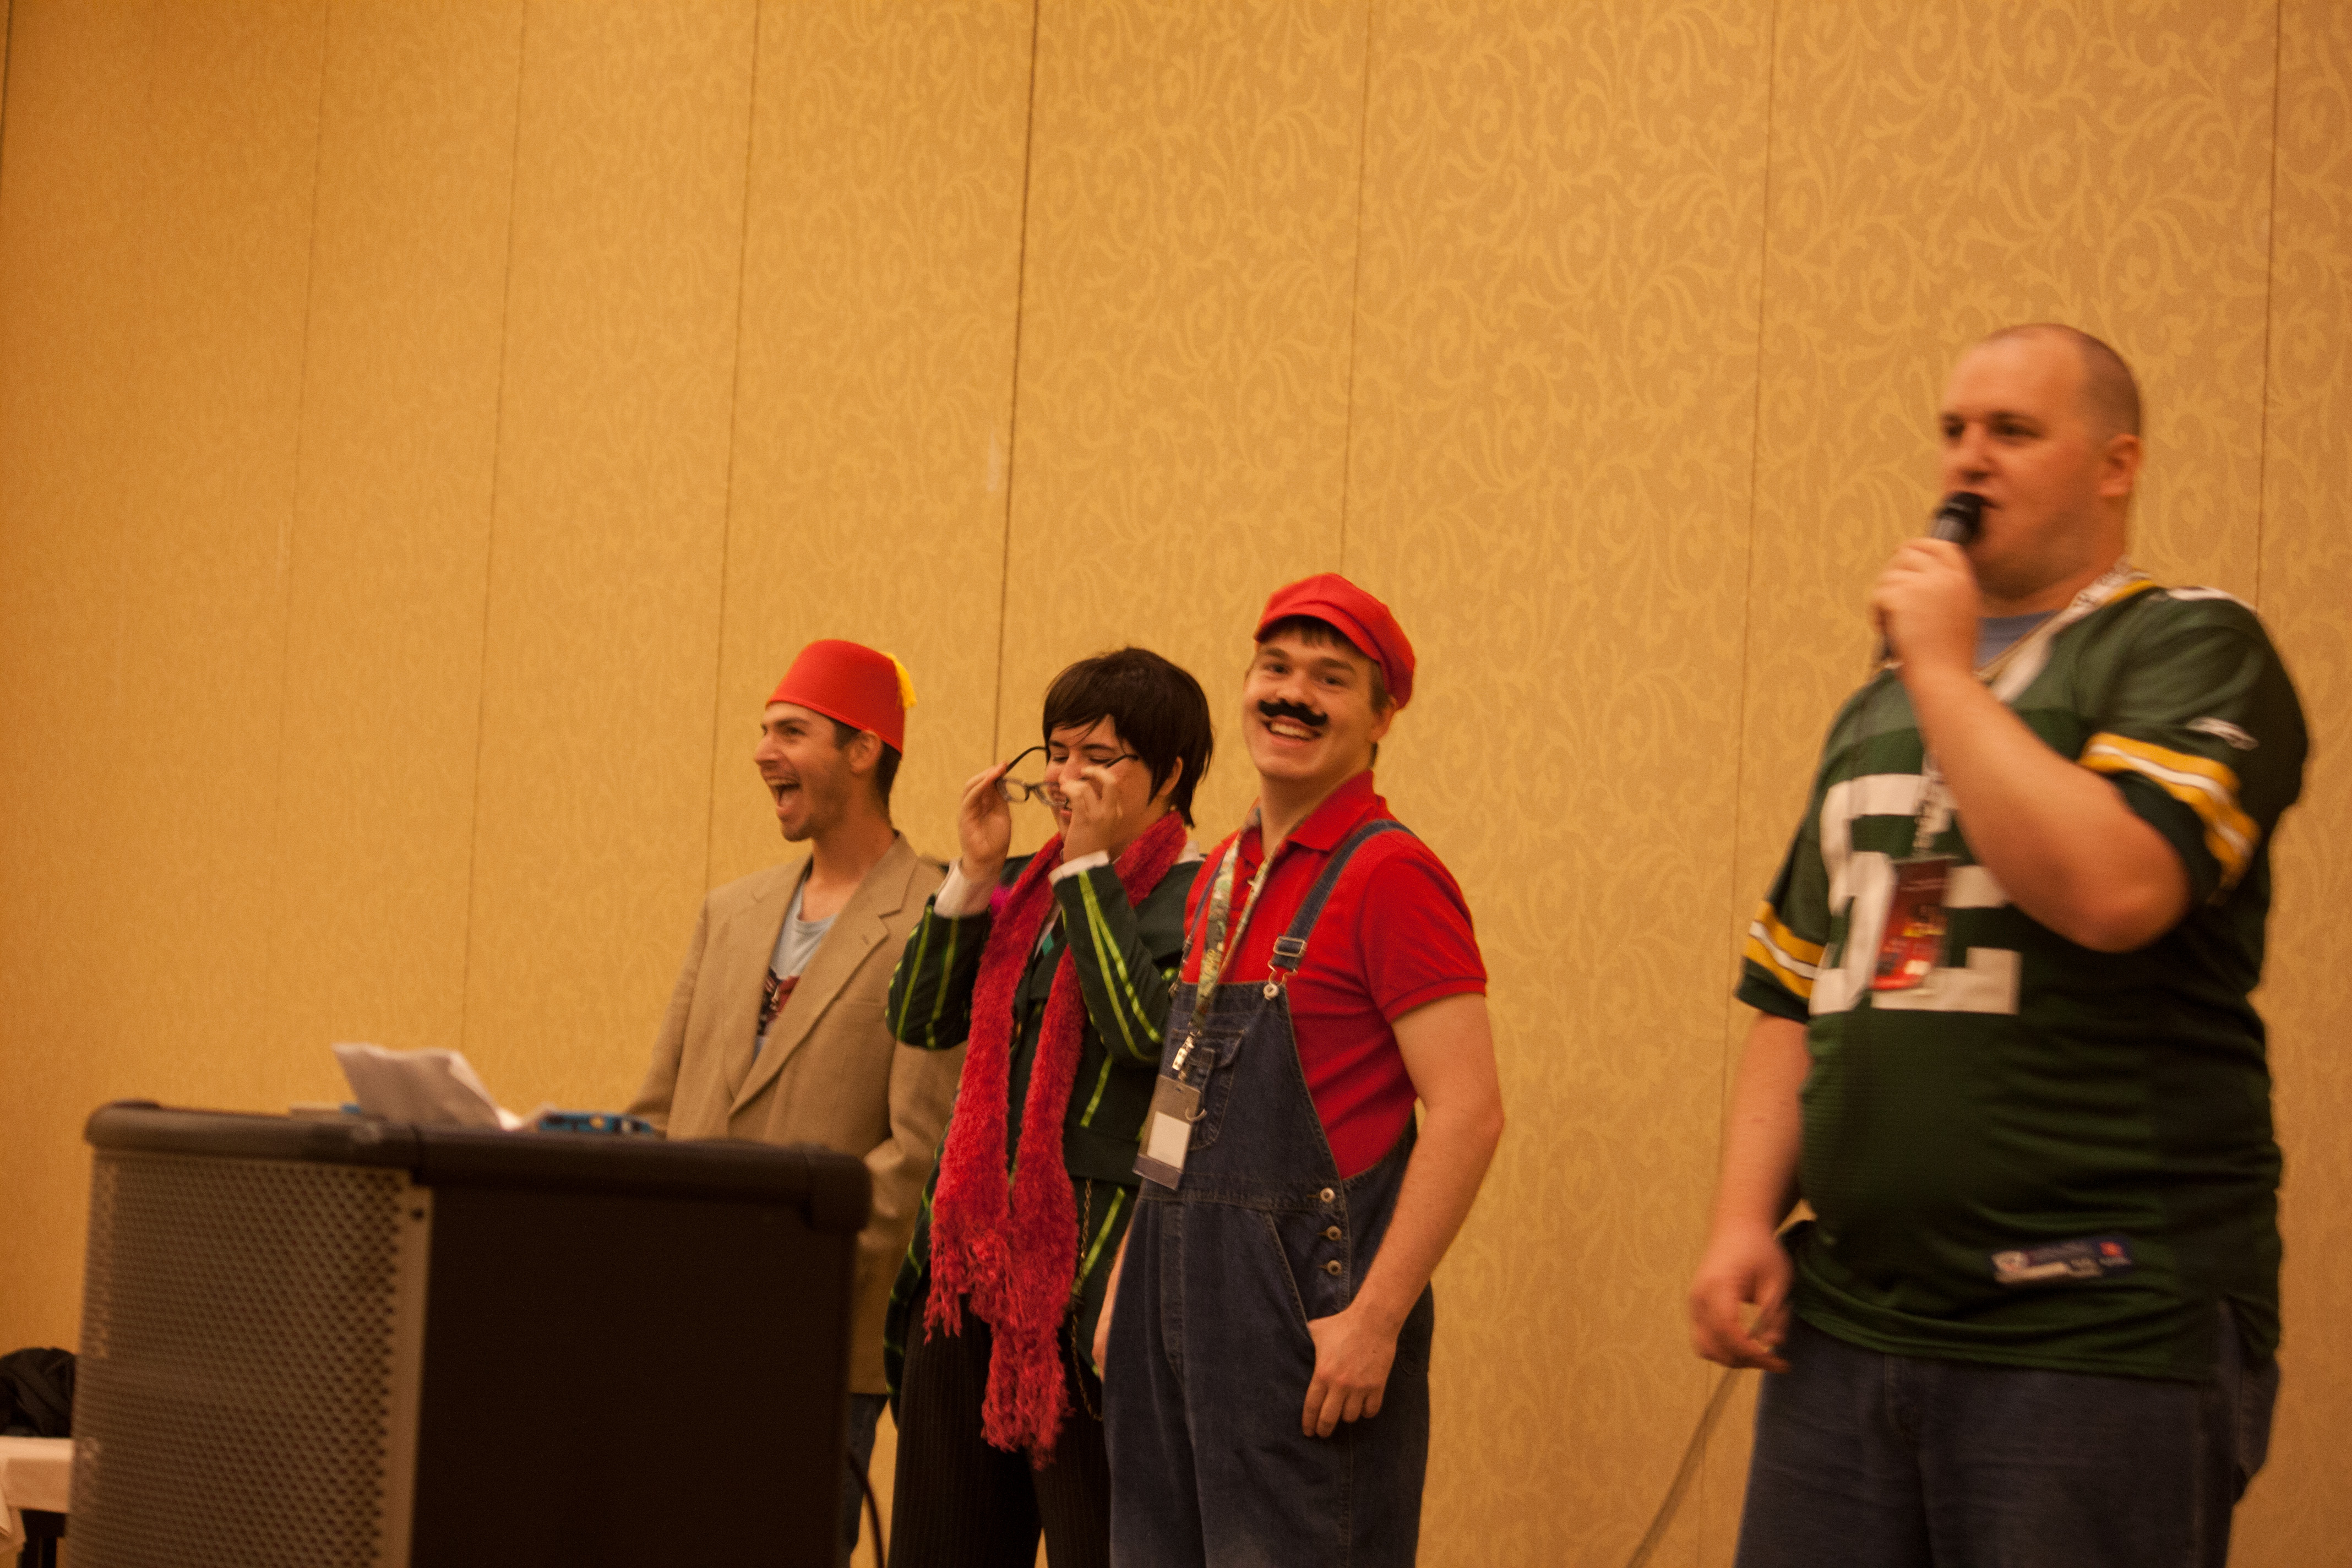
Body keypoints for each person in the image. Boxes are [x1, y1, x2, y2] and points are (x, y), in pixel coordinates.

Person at [1689, 325, 2309, 1568]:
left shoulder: (2186, 644)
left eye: (2014, 432)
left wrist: (1940, 667)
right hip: (1849, 1328)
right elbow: (1795, 990)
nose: (1969, 458)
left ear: (2117, 464)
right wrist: (1743, 1217)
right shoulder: (1879, 706)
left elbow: (2114, 890)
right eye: (1954, 430)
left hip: (2093, 1333)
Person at [1099, 574, 1507, 1568]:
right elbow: (1180, 1092)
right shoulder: (1223, 874)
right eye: (1275, 668)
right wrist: (1130, 1276)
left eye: (1330, 679)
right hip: (1169, 1307)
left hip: (1301, 1328)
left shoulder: (1392, 875)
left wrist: (1376, 1319)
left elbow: (1470, 1113)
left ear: (1382, 717)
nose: (1292, 696)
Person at [626, 639, 959, 1562]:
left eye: (791, 732)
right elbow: (657, 1110)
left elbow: (920, 1150)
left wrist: (786, 1272)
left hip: (818, 1336)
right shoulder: (728, 912)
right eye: (763, 730)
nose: (762, 752)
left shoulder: (938, 915)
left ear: (864, 750)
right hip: (683, 1322)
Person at [883, 647, 1215, 1568]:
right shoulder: (1024, 882)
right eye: (1056, 754)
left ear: (1169, 774)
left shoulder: (1208, 898)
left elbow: (1147, 1038)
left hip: (1095, 1289)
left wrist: (1090, 873)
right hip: (965, 1277)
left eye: (1096, 757)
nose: (1066, 779)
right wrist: (974, 870)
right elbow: (918, 1018)